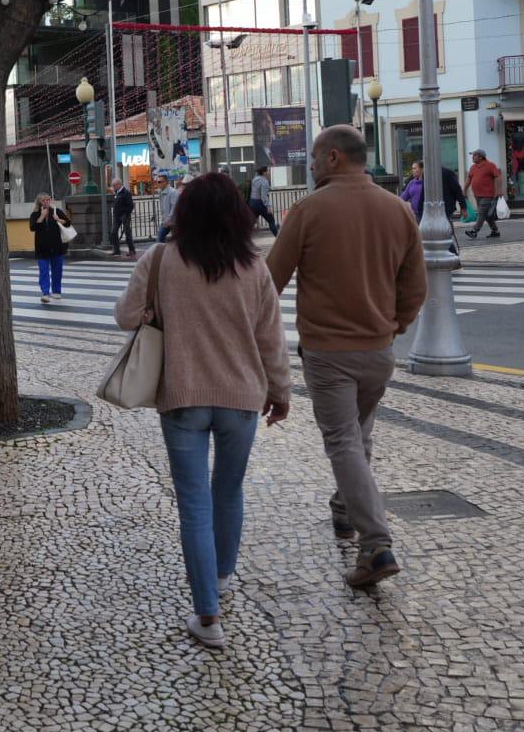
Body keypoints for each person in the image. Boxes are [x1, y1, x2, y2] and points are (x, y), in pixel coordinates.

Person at [115, 173, 291, 650]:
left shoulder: (160, 260)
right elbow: (271, 341)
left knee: (194, 504)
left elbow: (125, 316)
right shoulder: (254, 267)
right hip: (242, 400)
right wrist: (282, 393)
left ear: (184, 212)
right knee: (228, 489)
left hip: (183, 395)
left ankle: (207, 615)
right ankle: (224, 575)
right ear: (237, 214)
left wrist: (159, 308)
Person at [267, 125, 426, 589]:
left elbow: (270, 281)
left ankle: (375, 543)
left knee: (343, 442)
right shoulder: (398, 211)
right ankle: (343, 507)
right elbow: (415, 286)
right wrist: (394, 325)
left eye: (315, 159)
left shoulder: (309, 211)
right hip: (379, 351)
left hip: (329, 353)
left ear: (334, 157)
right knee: (359, 435)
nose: (312, 166)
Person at [28, 193, 72, 304]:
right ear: (39, 202)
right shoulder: (35, 214)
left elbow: (68, 223)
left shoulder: (56, 211)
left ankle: (56, 291)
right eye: (44, 200)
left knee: (57, 270)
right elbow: (32, 228)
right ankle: (45, 293)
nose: (46, 202)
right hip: (42, 248)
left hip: (57, 247)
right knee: (44, 271)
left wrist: (58, 219)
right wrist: (42, 216)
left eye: (48, 200)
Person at [463, 149, 502, 239]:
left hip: (488, 195)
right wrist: (464, 190)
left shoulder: (490, 165)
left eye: (474, 155)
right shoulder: (473, 167)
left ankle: (474, 231)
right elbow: (468, 179)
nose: (472, 157)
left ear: (481, 156)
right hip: (477, 195)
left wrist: (499, 190)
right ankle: (495, 231)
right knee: (486, 215)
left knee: (481, 213)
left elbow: (497, 177)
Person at [247, 166, 279, 237]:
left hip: (252, 203)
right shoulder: (265, 182)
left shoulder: (255, 179)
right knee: (271, 221)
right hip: (260, 203)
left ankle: (242, 240)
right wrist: (268, 206)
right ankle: (279, 239)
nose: (269, 172)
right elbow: (263, 196)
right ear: (264, 172)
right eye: (268, 171)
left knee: (251, 223)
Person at [110, 178, 136, 259]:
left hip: (124, 216)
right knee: (113, 232)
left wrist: (126, 214)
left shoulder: (126, 192)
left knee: (127, 233)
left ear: (118, 184)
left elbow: (130, 205)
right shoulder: (117, 192)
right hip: (117, 216)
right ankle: (116, 250)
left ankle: (131, 249)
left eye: (114, 185)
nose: (113, 187)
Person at [155, 174, 181, 244]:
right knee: (159, 239)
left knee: (177, 241)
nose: (158, 183)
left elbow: (174, 207)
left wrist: (168, 220)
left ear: (166, 182)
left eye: (160, 182)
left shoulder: (173, 192)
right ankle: (161, 253)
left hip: (174, 221)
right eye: (157, 182)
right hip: (166, 221)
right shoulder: (160, 192)